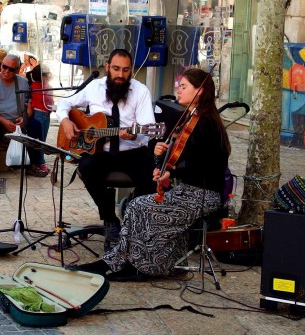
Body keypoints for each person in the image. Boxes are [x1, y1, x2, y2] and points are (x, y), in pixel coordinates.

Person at [71, 69, 230, 282]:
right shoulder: (193, 119)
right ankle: (124, 262)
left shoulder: (206, 123)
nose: (178, 90)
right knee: (137, 206)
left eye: (184, 87)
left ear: (199, 92)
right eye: (179, 85)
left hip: (203, 195)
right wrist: (164, 160)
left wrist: (172, 170)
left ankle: (132, 266)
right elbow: (186, 158)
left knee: (137, 207)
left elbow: (202, 165)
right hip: (189, 191)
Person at [56, 49, 156, 250]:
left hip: (132, 152)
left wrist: (136, 134)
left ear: (131, 70)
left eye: (126, 70)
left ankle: (131, 212)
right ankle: (110, 219)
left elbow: (150, 130)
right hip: (101, 153)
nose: (120, 75)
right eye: (116, 69)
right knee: (86, 168)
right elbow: (64, 102)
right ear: (108, 67)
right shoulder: (94, 87)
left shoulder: (141, 91)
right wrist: (65, 120)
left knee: (152, 177)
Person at [0, 53, 48, 178]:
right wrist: (3, 121)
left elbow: (29, 105)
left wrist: (25, 118)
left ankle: (34, 163)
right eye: (4, 67)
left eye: (11, 69)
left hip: (17, 118)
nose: (6, 71)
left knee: (35, 125)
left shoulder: (22, 82)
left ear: (17, 70)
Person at [26, 64, 54, 173]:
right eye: (46, 75)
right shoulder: (33, 87)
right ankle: (40, 163)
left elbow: (50, 101)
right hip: (38, 114)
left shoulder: (48, 86)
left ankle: (39, 162)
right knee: (40, 141)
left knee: (43, 140)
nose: (47, 77)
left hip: (46, 115)